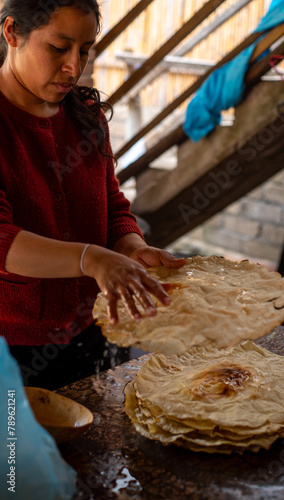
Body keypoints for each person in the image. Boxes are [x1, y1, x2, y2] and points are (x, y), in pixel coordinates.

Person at [0, 0, 185, 390]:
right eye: (58, 47)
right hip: (13, 349)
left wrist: (132, 249)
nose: (73, 66)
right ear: (12, 32)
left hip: (95, 330)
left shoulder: (86, 114)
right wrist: (91, 258)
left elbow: (113, 207)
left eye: (84, 50)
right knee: (17, 450)